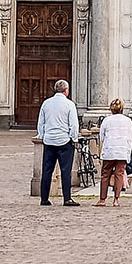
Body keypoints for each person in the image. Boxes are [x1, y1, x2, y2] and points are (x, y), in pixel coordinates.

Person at [36, 79, 81, 207]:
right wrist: (74, 138)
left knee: (47, 170)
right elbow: (73, 124)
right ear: (66, 90)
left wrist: (42, 135)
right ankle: (67, 198)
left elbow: (41, 122)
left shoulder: (46, 103)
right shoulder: (69, 104)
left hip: (49, 141)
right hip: (64, 141)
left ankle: (44, 198)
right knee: (65, 170)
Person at [97, 99, 132, 207]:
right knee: (119, 174)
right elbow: (131, 136)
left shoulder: (107, 120)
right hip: (122, 150)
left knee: (105, 174)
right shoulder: (128, 121)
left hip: (109, 150)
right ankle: (116, 199)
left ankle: (102, 199)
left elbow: (102, 136)